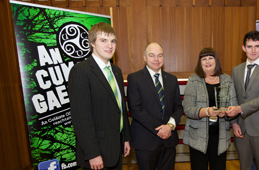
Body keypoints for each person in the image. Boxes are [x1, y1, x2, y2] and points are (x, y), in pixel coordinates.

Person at [68, 22, 132, 170]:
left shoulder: (116, 71)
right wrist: (92, 154)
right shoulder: (81, 71)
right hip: (97, 154)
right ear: (92, 44)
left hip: (116, 148)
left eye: (113, 41)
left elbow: (121, 108)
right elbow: (81, 119)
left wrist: (126, 139)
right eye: (103, 40)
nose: (109, 45)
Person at [127, 42, 183, 170]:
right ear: (144, 57)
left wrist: (170, 126)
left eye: (160, 55)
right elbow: (136, 110)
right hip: (146, 140)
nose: (156, 59)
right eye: (151, 55)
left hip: (169, 140)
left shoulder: (172, 79)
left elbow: (178, 107)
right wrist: (160, 129)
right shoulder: (134, 79)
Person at [226, 31, 259, 170]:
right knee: (244, 167)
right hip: (241, 129)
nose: (253, 50)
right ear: (243, 48)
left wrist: (240, 109)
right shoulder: (236, 70)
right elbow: (233, 97)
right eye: (249, 46)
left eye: (257, 46)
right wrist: (234, 123)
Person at [182, 47, 238, 170]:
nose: (207, 62)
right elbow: (187, 108)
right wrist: (207, 111)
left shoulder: (227, 80)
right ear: (200, 62)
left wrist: (227, 113)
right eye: (204, 59)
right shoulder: (193, 80)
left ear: (216, 60)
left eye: (210, 58)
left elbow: (234, 106)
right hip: (198, 138)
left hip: (220, 137)